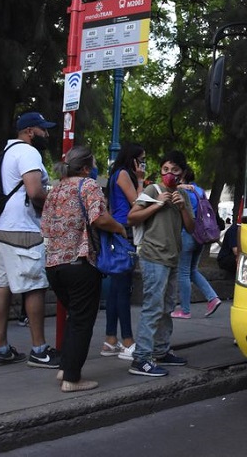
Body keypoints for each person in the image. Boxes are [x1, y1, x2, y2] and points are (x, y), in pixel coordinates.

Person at [41, 146, 125, 392]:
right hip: (80, 262)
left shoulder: (56, 190)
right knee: (81, 321)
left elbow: (45, 226)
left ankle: (64, 368)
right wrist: (119, 228)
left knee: (74, 316)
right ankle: (72, 378)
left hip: (54, 265)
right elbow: (99, 218)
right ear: (87, 167)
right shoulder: (87, 186)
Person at [0, 111, 60, 368]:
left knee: (2, 286)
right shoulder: (29, 153)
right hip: (22, 230)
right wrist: (57, 203)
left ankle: (1, 348)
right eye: (43, 130)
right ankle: (39, 350)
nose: (47, 135)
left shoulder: (7, 152)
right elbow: (34, 191)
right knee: (35, 287)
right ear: (30, 131)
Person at [126, 150, 195, 377]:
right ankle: (141, 358)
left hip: (173, 256)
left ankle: (161, 350)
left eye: (174, 170)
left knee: (166, 308)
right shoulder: (152, 190)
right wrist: (157, 204)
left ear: (182, 173)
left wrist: (182, 206)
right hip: (153, 256)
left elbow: (191, 227)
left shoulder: (182, 197)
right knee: (153, 307)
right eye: (165, 169)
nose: (169, 174)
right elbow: (132, 217)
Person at [102, 142, 145, 361]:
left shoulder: (113, 176)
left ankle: (111, 339)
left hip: (116, 231)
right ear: (133, 160)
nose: (143, 164)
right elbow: (137, 202)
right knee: (122, 288)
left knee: (115, 288)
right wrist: (139, 179)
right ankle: (127, 341)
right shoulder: (124, 175)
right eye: (142, 159)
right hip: (124, 231)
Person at [172, 169, 222, 319]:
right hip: (201, 235)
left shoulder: (182, 191)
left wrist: (179, 187)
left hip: (187, 234)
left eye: (177, 173)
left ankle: (185, 310)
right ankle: (212, 298)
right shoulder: (199, 190)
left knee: (184, 272)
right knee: (193, 270)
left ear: (183, 176)